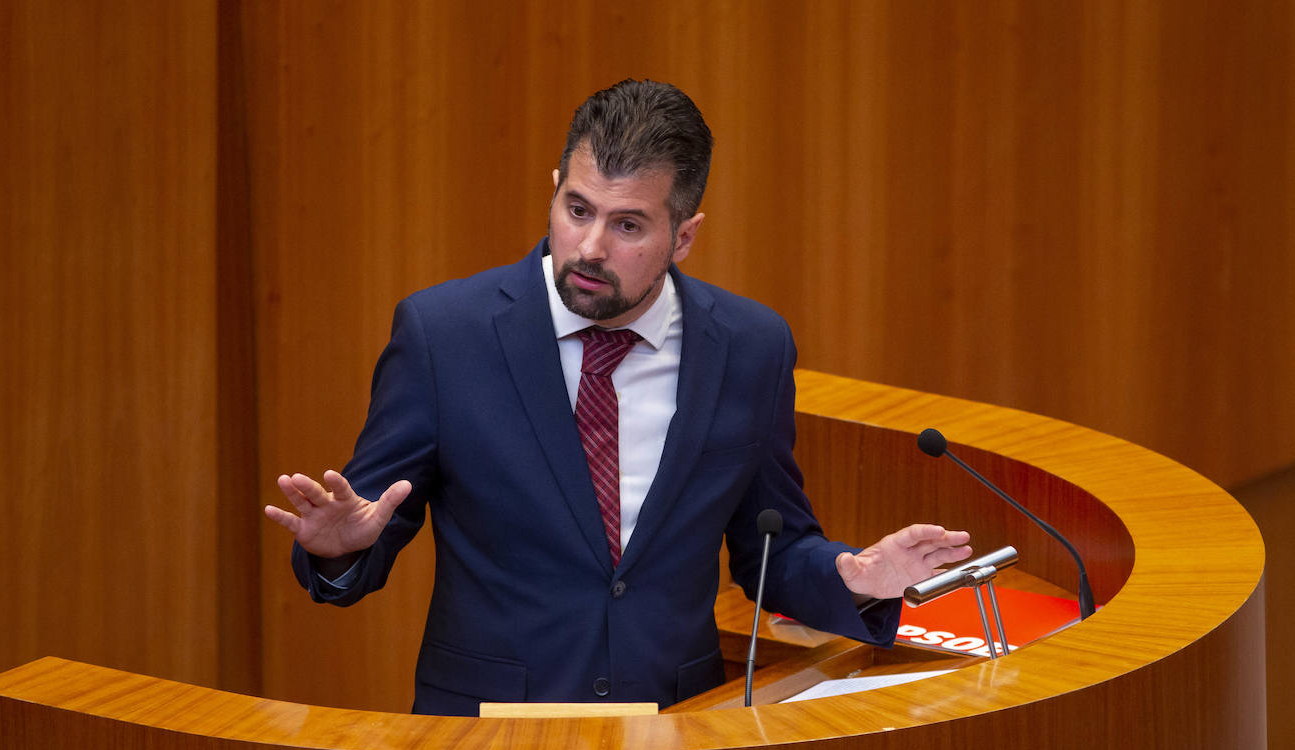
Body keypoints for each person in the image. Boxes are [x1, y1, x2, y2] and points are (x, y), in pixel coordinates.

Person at [265, 79, 971, 715]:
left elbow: (771, 550)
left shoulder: (749, 348)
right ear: (554, 189)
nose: (589, 246)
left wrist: (856, 575)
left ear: (684, 235)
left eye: (628, 224)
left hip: (673, 740)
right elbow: (368, 528)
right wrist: (341, 551)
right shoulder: (445, 335)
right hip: (485, 746)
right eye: (576, 208)